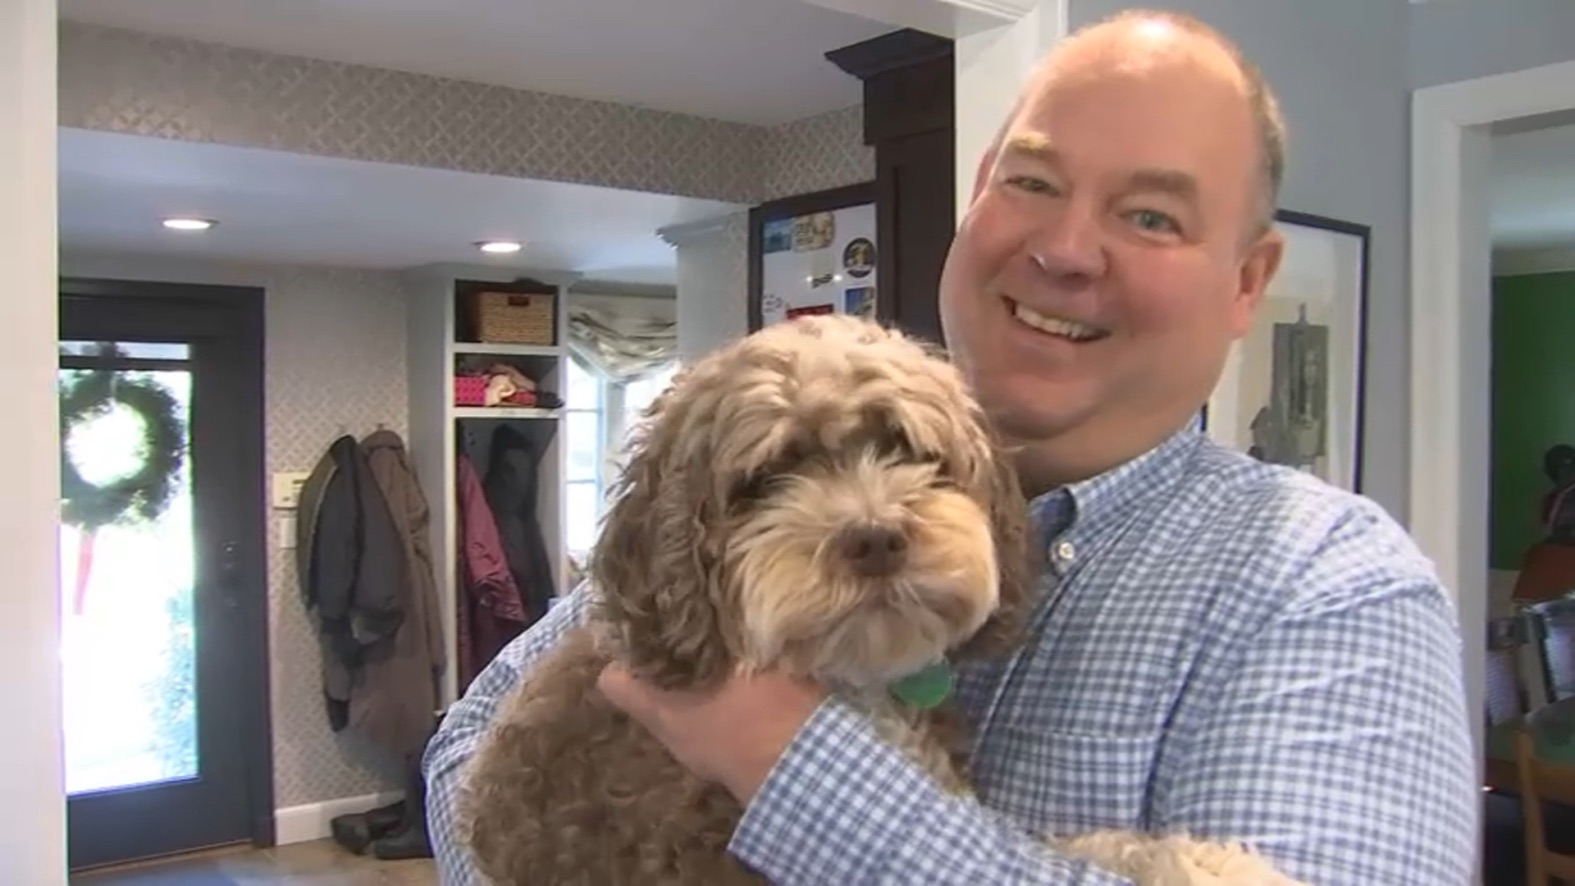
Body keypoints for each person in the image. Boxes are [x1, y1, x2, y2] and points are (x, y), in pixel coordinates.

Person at [422, 9, 1478, 884]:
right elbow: (463, 752)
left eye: (1151, 216)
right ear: (977, 198)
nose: (1065, 249)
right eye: (1031, 182)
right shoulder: (698, 507)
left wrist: (785, 760)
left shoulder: (1331, 583)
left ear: (1249, 280)